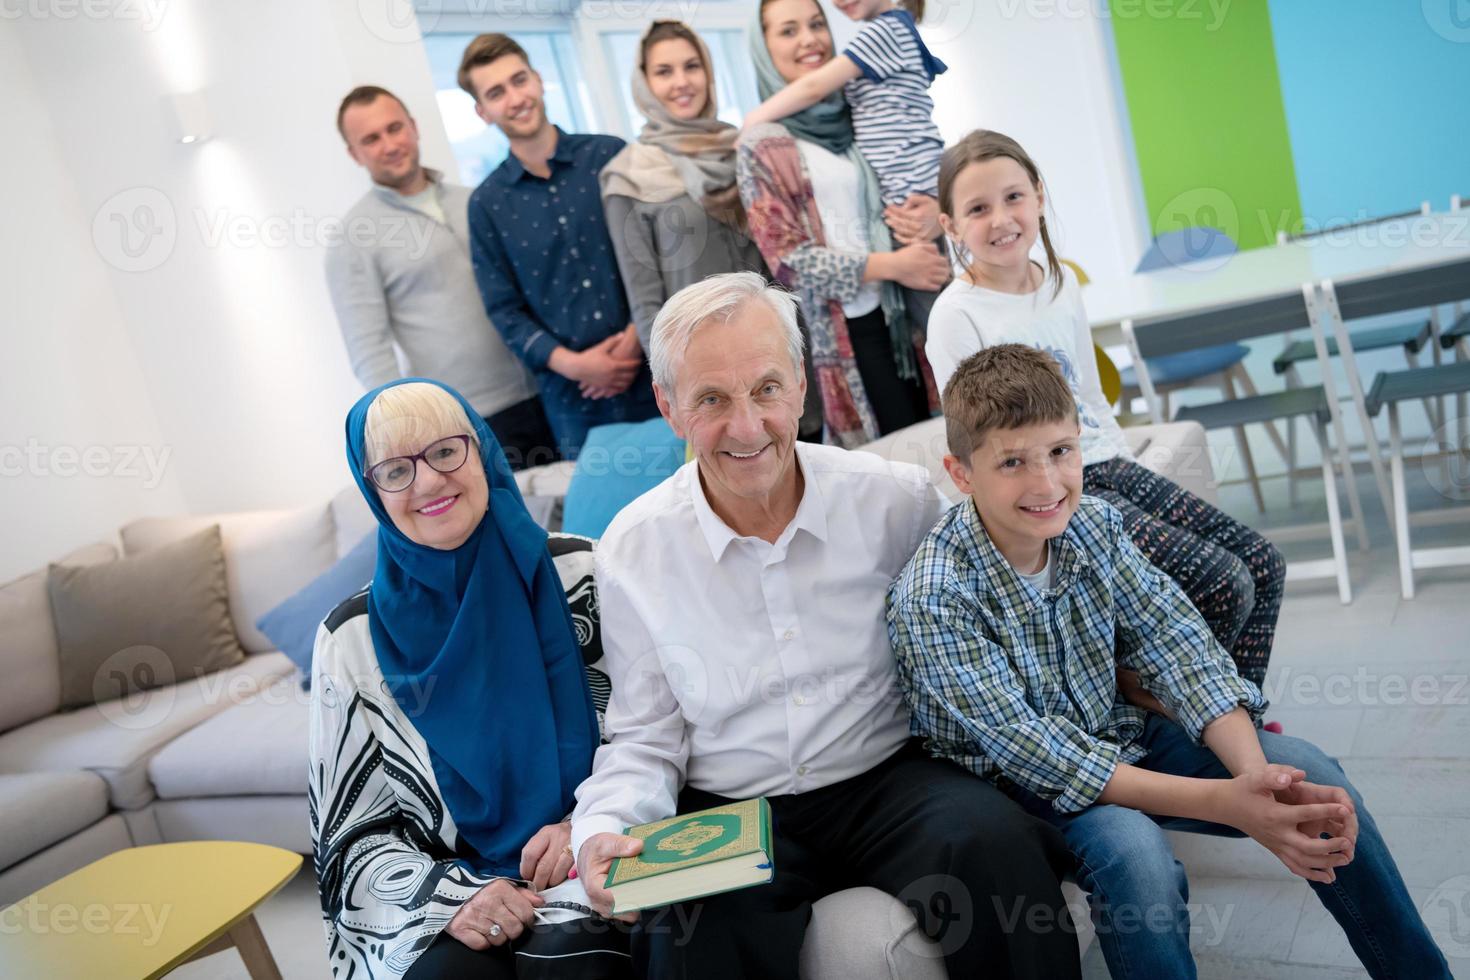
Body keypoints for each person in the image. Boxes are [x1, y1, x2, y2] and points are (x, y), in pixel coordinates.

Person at [570, 274, 1082, 980]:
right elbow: (645, 735)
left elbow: (1003, 608)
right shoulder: (633, 546)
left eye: (767, 389)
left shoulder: (894, 502)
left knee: (992, 846)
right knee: (685, 932)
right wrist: (603, 831)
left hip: (890, 779)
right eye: (712, 399)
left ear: (803, 388)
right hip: (734, 809)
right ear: (668, 407)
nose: (747, 427)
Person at [886, 345, 1453, 980]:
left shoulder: (1093, 527)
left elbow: (1183, 649)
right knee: (1139, 858)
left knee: (1317, 783)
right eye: (1012, 462)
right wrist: (1233, 804)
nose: (1046, 484)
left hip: (1118, 732)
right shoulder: (934, 598)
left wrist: (1256, 783)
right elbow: (1042, 756)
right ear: (961, 474)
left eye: (1060, 452)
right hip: (1023, 794)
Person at [925, 130, 1285, 691]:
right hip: (1052, 484)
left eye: (1014, 197)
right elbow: (977, 441)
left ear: (1039, 196)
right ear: (949, 225)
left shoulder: (1061, 284)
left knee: (1263, 564)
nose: (1001, 219)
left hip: (1104, 460)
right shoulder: (955, 316)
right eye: (978, 208)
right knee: (1224, 581)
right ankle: (1182, 709)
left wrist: (1125, 461)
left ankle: (1239, 714)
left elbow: (1088, 396)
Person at [308, 378, 630, 979]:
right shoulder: (347, 637)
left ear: (480, 451)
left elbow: (657, 731)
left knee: (578, 962)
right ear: (372, 490)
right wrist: (453, 898)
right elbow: (351, 835)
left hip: (595, 853)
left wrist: (587, 821)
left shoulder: (582, 570)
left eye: (445, 452)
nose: (428, 481)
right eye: (395, 470)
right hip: (449, 889)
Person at [738, 0, 950, 448]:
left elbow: (914, 154)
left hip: (904, 314)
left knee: (949, 448)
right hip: (850, 334)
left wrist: (935, 206)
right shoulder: (761, 142)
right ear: (764, 47)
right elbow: (789, 263)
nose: (809, 39)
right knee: (893, 469)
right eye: (788, 31)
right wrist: (893, 265)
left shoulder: (854, 112)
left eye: (816, 24)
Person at [326, 86, 554, 470]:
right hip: (468, 421)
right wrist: (414, 433)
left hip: (550, 389)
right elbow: (370, 354)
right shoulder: (353, 240)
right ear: (354, 153)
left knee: (588, 516)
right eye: (371, 139)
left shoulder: (476, 200)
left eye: (394, 128)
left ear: (413, 127)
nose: (388, 144)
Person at [462, 34, 658, 459]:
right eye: (497, 93)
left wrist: (635, 336)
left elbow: (656, 255)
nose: (515, 98)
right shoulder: (486, 205)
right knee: (601, 523)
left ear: (538, 79)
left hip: (655, 370)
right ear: (483, 111)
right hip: (574, 404)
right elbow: (504, 311)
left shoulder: (611, 155)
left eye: (519, 80)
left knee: (689, 502)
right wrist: (575, 364)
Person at [600, 20, 770, 355]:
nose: (682, 82)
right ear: (644, 83)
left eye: (692, 66)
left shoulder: (745, 148)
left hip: (781, 344)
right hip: (705, 362)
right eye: (664, 72)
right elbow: (646, 306)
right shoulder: (629, 174)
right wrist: (678, 386)